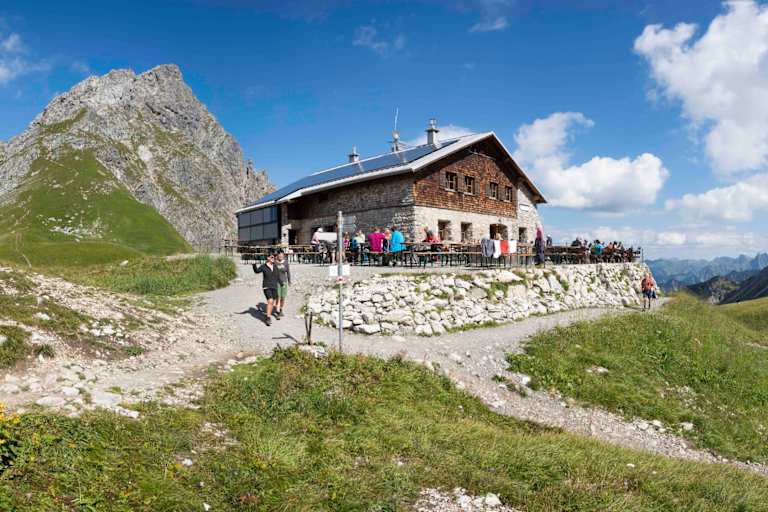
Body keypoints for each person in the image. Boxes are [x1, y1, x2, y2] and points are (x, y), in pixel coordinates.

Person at [253, 252, 280, 326]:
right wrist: (254, 265)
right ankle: (268, 318)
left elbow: (277, 276)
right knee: (270, 301)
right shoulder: (263, 266)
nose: (273, 258)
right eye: (271, 257)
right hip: (266, 286)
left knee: (272, 302)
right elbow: (256, 271)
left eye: (274, 257)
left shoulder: (275, 266)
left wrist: (281, 283)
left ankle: (268, 315)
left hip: (274, 286)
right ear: (268, 258)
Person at [274, 250, 291, 319]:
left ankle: (280, 309)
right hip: (276, 282)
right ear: (277, 255)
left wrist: (289, 281)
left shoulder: (286, 262)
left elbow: (288, 272)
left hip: (284, 282)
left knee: (283, 298)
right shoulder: (274, 262)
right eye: (279, 255)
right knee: (278, 297)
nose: (281, 256)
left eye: (282, 255)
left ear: (283, 255)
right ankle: (277, 312)